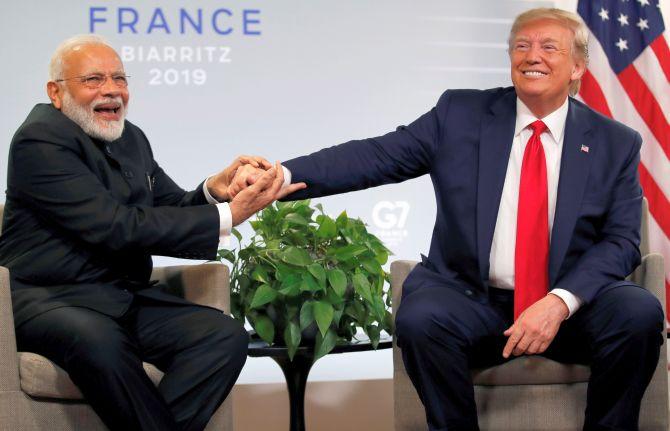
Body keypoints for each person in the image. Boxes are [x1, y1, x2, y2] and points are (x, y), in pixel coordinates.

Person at [238, 7, 664, 431]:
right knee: (421, 318)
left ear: (577, 67)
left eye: (549, 47)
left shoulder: (614, 142)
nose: (532, 56)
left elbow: (622, 241)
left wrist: (559, 302)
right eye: (522, 45)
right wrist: (283, 176)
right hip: (475, 300)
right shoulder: (459, 115)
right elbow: (375, 155)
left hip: (571, 307)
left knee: (638, 312)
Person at [0, 34, 305, 431]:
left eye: (120, 79)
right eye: (93, 79)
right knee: (100, 343)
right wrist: (229, 216)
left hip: (120, 296)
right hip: (49, 297)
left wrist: (216, 191)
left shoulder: (130, 138)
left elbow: (167, 207)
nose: (112, 90)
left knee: (222, 336)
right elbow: (113, 226)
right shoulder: (39, 140)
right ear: (56, 93)